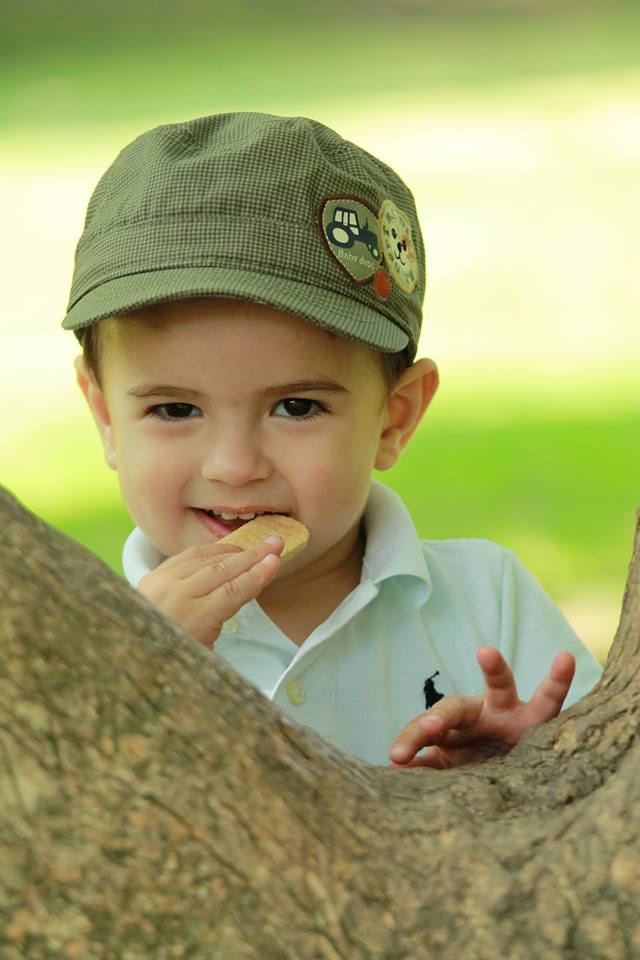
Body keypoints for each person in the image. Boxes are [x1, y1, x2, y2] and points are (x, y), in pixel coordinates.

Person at [63, 111, 602, 768]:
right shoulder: (84, 641)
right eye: (175, 409)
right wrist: (135, 679)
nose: (234, 466)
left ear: (394, 418)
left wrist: (520, 767)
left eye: (295, 406)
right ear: (106, 417)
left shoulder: (490, 600)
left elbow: (604, 800)